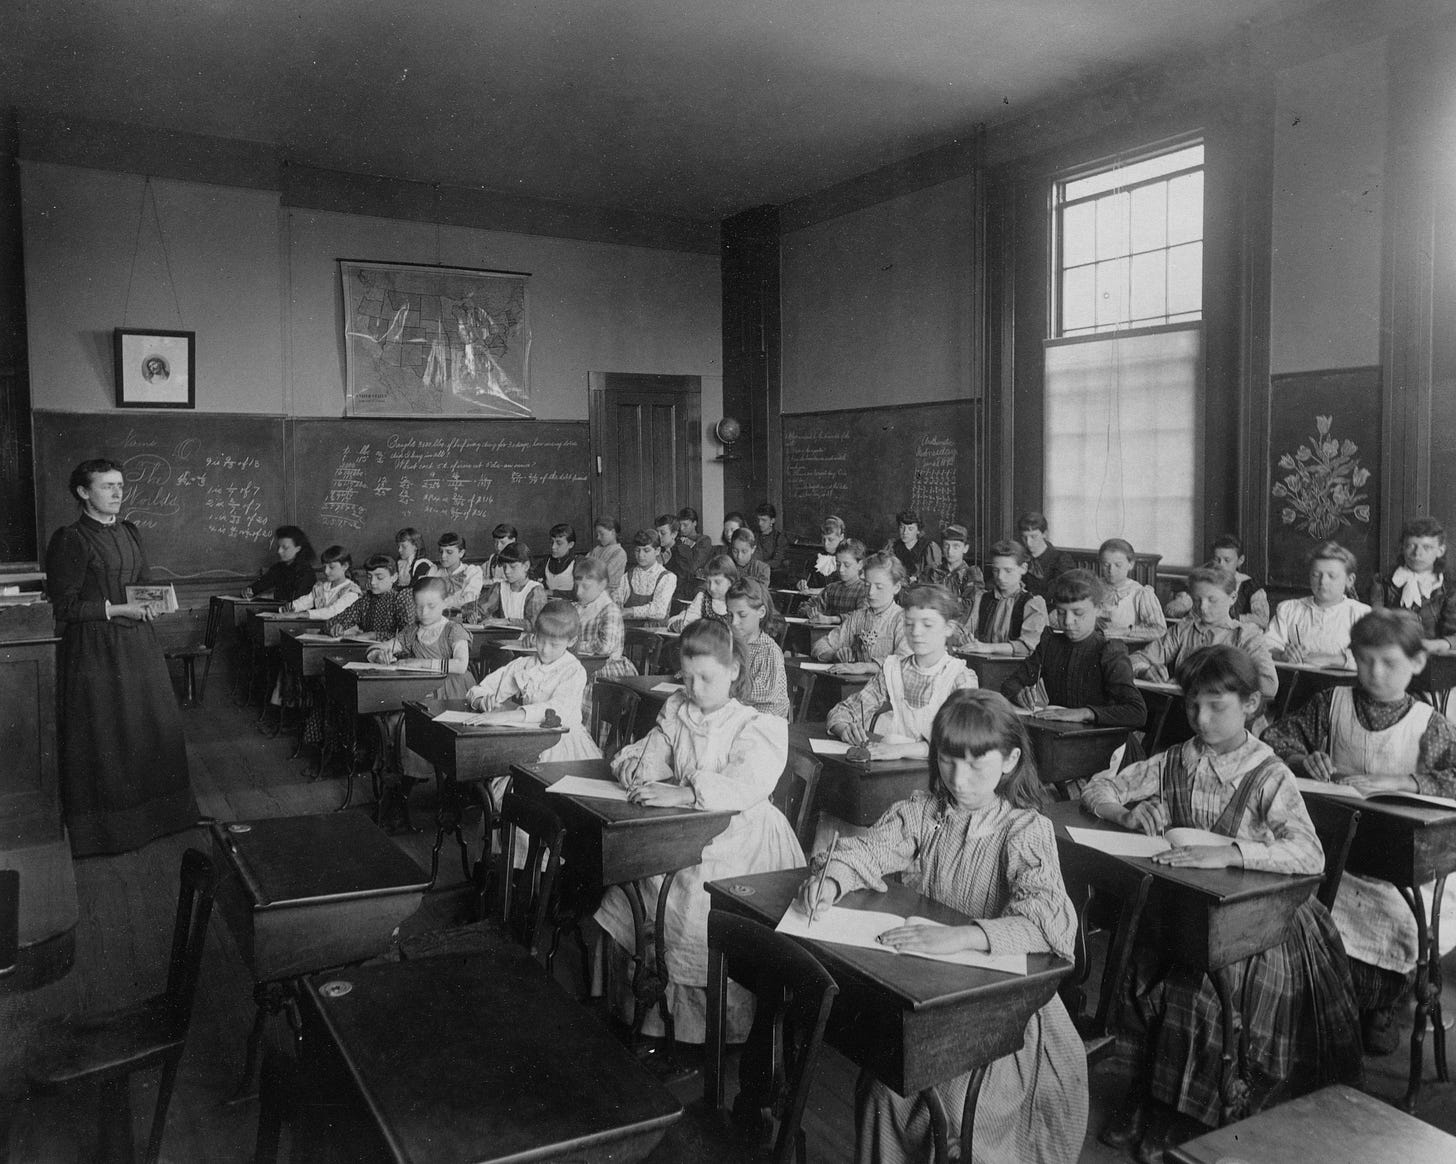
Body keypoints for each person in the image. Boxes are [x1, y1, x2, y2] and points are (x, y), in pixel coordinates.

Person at [1082, 645, 1361, 1156]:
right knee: (1135, 972)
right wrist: (1123, 813)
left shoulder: (1267, 773)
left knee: (1202, 996)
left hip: (1259, 924)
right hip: (1187, 911)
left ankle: (1188, 1115)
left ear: (1251, 704)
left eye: (1217, 706)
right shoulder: (1174, 759)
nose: (1201, 719)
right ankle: (1147, 1094)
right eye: (1192, 705)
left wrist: (1231, 852)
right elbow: (1100, 786)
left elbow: (1310, 854)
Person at [796, 690, 1087, 1164]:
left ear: (1010, 760)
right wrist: (833, 879)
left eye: (976, 764)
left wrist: (963, 936)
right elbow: (871, 849)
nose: (958, 778)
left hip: (1002, 1014)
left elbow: (1046, 920)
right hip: (930, 994)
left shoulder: (1023, 829)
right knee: (885, 1089)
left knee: (951, 1115)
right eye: (948, 761)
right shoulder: (926, 811)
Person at [596, 619, 804, 1042]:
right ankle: (651, 1015)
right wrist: (639, 770)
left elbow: (746, 785)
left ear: (733, 671)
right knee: (630, 891)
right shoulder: (678, 709)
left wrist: (686, 792)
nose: (694, 688)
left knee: (693, 914)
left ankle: (706, 1033)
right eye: (687, 677)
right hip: (685, 829)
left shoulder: (754, 725)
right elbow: (655, 751)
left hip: (740, 839)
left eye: (706, 678)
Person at [1263, 608, 1456, 1054]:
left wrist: (1408, 782)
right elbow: (1276, 738)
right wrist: (1303, 759)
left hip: (1403, 873)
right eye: (1365, 660)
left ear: (1417, 663)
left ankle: (1382, 1001)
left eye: (1389, 662)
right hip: (1338, 857)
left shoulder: (1427, 723)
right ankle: (1329, 1002)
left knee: (1392, 926)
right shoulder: (1332, 703)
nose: (1375, 673)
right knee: (1306, 907)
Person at [45, 458, 198, 856]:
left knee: (151, 726)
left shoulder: (130, 530)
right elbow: (64, 607)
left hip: (139, 644)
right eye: (107, 486)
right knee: (110, 734)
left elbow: (142, 583)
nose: (117, 493)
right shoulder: (71, 538)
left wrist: (152, 604)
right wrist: (116, 609)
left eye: (120, 486)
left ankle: (164, 820)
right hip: (95, 650)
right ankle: (113, 832)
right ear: (83, 492)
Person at [827, 584, 977, 759]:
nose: (916, 632)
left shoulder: (960, 677)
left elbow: (962, 740)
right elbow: (843, 711)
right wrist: (845, 729)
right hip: (895, 771)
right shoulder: (893, 670)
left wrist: (901, 750)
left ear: (948, 628)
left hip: (939, 772)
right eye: (909, 624)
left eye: (927, 624)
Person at [465, 599, 603, 772]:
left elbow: (556, 709)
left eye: (554, 645)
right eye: (540, 640)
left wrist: (506, 716)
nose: (545, 649)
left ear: (571, 641)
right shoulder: (525, 664)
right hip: (529, 737)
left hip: (561, 744)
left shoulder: (574, 671)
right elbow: (481, 688)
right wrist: (482, 700)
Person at [1000, 569, 1147, 728]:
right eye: (1061, 613)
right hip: (1059, 732)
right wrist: (1019, 694)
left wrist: (1085, 713)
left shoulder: (1110, 651)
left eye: (1078, 613)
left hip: (1100, 738)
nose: (1068, 621)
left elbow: (1137, 712)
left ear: (1098, 609)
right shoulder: (1050, 644)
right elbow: (1010, 684)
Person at [1131, 566, 1278, 702]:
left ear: (1233, 598)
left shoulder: (1246, 635)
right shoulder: (1183, 630)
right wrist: (1144, 670)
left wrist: (1201, 681)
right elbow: (1136, 659)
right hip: (1182, 710)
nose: (1202, 607)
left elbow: (1269, 686)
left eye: (1212, 600)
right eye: (1196, 599)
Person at [1264, 541, 1371, 669]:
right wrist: (1282, 655)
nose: (1323, 581)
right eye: (1316, 575)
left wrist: (1336, 659)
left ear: (1349, 580)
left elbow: (1373, 655)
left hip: (1344, 681)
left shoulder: (1361, 614)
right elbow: (1267, 645)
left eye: (1332, 576)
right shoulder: (1289, 609)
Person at [367, 575, 474, 700]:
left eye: (431, 606)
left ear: (445, 603)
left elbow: (461, 665)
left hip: (453, 691)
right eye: (418, 606)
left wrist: (420, 663)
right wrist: (378, 653)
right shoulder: (412, 631)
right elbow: (382, 646)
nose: (424, 612)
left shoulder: (453, 630)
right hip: (423, 687)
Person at [810, 551, 911, 674]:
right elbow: (819, 645)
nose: (871, 592)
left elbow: (905, 661)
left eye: (879, 587)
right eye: (867, 585)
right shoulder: (858, 617)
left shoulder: (903, 620)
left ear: (896, 587)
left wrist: (867, 667)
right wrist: (834, 654)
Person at [1369, 516, 1456, 655]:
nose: (1417, 553)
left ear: (1440, 550)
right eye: (1411, 546)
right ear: (1402, 548)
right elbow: (1373, 624)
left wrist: (1439, 644)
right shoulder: (1383, 583)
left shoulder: (1449, 588)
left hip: (1434, 658)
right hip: (1391, 653)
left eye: (1427, 547)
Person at [572, 558, 637, 715]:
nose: (579, 592)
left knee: (578, 691)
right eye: (577, 586)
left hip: (604, 669)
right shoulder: (577, 608)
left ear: (602, 585)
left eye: (585, 587)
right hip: (581, 664)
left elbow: (605, 646)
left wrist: (574, 645)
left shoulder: (609, 610)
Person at [962, 539, 1048, 657]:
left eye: (1008, 571)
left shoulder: (1033, 603)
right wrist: (965, 638)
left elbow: (1029, 646)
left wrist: (987, 648)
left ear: (1023, 568)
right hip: (983, 664)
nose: (1001, 577)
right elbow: (967, 631)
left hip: (1018, 666)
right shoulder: (981, 598)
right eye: (996, 570)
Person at [1166, 534, 1269, 629]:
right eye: (1216, 560)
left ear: (1240, 560)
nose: (1221, 565)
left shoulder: (1249, 585)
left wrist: (1230, 617)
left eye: (1227, 560)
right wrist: (1185, 603)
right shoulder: (1202, 582)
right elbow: (1171, 610)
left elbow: (1262, 621)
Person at [725, 578, 790, 719]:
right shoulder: (730, 644)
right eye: (730, 615)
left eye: (742, 615)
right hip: (737, 715)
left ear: (761, 612)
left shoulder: (768, 650)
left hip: (763, 722)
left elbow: (763, 692)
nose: (734, 622)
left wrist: (721, 687)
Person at [327, 554, 415, 640]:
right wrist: (335, 627)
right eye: (369, 577)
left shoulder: (401, 599)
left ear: (394, 577)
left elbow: (410, 636)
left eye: (379, 577)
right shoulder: (366, 600)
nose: (372, 582)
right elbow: (332, 622)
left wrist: (373, 635)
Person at [1098, 537, 1166, 636]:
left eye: (1118, 565)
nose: (1111, 570)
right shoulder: (1092, 587)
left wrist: (1126, 631)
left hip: (1127, 644)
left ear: (1131, 564)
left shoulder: (1140, 593)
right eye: (1106, 564)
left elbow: (1159, 630)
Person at [468, 541, 546, 628]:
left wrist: (506, 622)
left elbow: (535, 624)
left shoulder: (535, 590)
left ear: (526, 566)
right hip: (503, 635)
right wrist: (475, 615)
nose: (507, 571)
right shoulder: (500, 587)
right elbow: (482, 609)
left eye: (512, 567)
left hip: (527, 636)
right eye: (504, 566)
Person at [615, 529, 677, 624]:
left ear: (657, 551)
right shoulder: (628, 576)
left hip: (656, 630)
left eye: (646, 550)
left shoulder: (667, 577)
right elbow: (617, 601)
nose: (640, 555)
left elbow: (659, 611)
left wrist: (629, 611)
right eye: (637, 550)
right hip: (629, 628)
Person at [242, 524, 316, 602]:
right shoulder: (279, 567)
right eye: (278, 547)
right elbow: (262, 583)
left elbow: (295, 598)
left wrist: (266, 596)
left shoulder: (306, 572)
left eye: (285, 548)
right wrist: (250, 590)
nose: (279, 551)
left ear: (298, 548)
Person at [286, 544, 361, 621]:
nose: (326, 571)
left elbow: (332, 612)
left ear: (345, 566)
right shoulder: (322, 587)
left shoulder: (352, 591)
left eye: (331, 567)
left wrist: (301, 614)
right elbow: (305, 602)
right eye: (324, 567)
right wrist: (286, 608)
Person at [803, 538, 869, 624]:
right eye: (838, 564)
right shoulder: (831, 588)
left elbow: (862, 616)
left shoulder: (865, 590)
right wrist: (809, 611)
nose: (841, 569)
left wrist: (832, 619)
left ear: (860, 565)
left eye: (847, 565)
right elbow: (806, 605)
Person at [925, 522, 983, 619]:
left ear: (965, 548)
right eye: (946, 546)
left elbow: (969, 608)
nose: (950, 551)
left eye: (956, 546)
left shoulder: (971, 575)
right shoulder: (933, 572)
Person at [668, 553, 738, 632]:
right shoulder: (702, 598)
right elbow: (688, 617)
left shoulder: (738, 601)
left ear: (731, 582)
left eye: (717, 582)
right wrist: (676, 623)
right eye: (708, 582)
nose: (711, 588)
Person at [1016, 511, 1075, 596]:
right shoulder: (1018, 558)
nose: (1028, 542)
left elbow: (1064, 593)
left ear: (1045, 534)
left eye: (1033, 537)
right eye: (1024, 537)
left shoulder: (1061, 560)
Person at [430, 531, 484, 614]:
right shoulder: (435, 574)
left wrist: (442, 604)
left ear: (461, 553)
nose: (443, 556)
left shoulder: (472, 572)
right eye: (441, 551)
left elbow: (468, 602)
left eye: (449, 552)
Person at [885, 508, 940, 583]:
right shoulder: (892, 547)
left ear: (918, 530)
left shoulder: (929, 547)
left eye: (910, 529)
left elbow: (933, 577)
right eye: (902, 527)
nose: (905, 532)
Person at [797, 515, 847, 591]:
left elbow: (845, 588)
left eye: (830, 540)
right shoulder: (816, 559)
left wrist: (819, 591)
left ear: (841, 537)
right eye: (823, 540)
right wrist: (801, 583)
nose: (826, 544)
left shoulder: (847, 560)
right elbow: (807, 580)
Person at [539, 522, 579, 598]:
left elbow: (579, 593)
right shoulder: (546, 561)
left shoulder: (578, 563)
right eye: (552, 542)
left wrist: (551, 592)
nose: (553, 547)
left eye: (559, 543)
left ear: (570, 545)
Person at [588, 515, 628, 592]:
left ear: (613, 532)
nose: (598, 538)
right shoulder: (596, 549)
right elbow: (584, 567)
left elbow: (605, 574)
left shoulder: (619, 552)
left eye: (601, 534)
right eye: (597, 534)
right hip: (594, 589)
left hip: (610, 592)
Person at [675, 506, 715, 580]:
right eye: (680, 525)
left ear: (695, 523)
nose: (681, 528)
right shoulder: (676, 540)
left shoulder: (704, 540)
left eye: (685, 525)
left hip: (694, 580)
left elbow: (695, 566)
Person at [753, 501, 788, 577]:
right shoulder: (753, 536)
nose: (760, 523)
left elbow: (777, 561)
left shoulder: (779, 538)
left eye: (764, 520)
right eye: (758, 519)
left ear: (772, 520)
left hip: (772, 575)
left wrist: (757, 565)